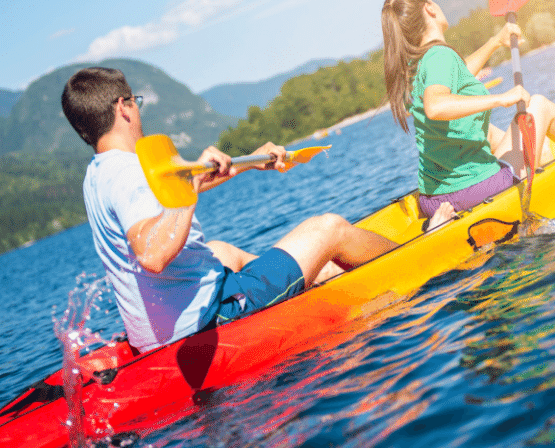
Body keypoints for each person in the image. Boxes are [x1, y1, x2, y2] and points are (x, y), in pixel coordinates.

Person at [61, 67, 402, 353]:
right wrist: (189, 193)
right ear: (124, 107)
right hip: (208, 320)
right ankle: (409, 257)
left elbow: (163, 202)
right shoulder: (128, 173)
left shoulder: (99, 173)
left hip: (163, 329)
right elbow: (151, 255)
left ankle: (319, 275)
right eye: (136, 102)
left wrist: (245, 164)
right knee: (330, 228)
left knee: (220, 251)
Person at [381, 0, 555, 217]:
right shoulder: (439, 56)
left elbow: (459, 76)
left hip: (435, 200)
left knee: (491, 134)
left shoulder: (420, 62)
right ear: (429, 8)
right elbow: (436, 106)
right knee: (539, 105)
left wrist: (495, 42)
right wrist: (501, 99)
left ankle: (550, 168)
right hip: (472, 193)